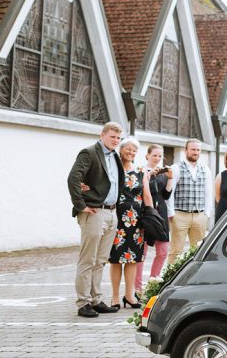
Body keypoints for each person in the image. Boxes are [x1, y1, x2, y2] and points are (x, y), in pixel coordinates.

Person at [67, 121, 126, 318]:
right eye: (112, 137)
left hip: (111, 212)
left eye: (118, 138)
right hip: (94, 212)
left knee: (101, 260)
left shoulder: (115, 155)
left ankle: (96, 299)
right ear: (102, 135)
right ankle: (83, 302)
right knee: (88, 259)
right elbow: (73, 178)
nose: (115, 141)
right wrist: (81, 205)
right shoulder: (89, 152)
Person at [107, 138, 151, 309]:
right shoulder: (113, 169)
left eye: (134, 150)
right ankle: (115, 297)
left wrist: (150, 214)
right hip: (116, 219)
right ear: (121, 149)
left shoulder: (141, 170)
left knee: (133, 259)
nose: (131, 152)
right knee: (116, 259)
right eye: (128, 149)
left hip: (136, 221)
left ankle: (129, 295)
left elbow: (146, 195)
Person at [133, 144, 173, 299]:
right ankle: (137, 288)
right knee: (141, 252)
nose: (157, 158)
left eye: (159, 156)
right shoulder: (140, 171)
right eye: (155, 155)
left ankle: (153, 283)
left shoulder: (163, 173)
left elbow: (167, 195)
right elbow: (140, 190)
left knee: (163, 251)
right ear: (147, 156)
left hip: (161, 214)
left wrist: (169, 178)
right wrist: (149, 175)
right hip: (145, 213)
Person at [169, 138, 211, 264]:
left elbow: (208, 193)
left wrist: (207, 214)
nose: (195, 152)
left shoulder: (205, 169)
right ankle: (169, 280)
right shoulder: (176, 168)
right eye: (193, 149)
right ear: (185, 150)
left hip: (199, 216)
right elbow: (170, 192)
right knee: (176, 251)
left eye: (198, 150)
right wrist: (171, 213)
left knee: (198, 251)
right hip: (180, 215)